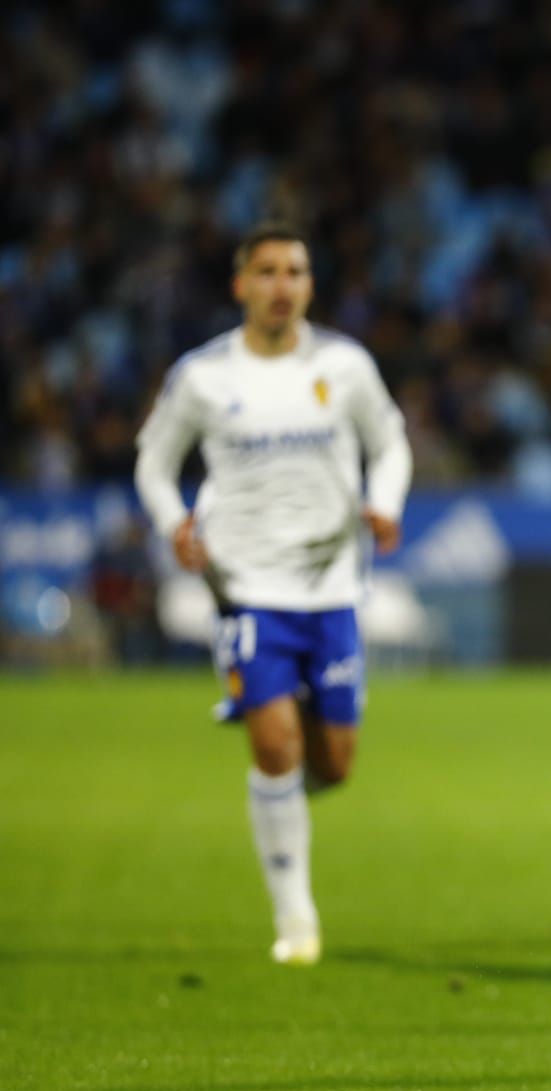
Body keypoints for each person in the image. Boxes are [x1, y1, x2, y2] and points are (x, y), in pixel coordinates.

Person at [134, 221, 413, 966]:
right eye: (266, 272)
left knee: (335, 763)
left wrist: (384, 501)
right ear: (241, 286)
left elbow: (389, 442)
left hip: (330, 584)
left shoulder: (345, 366)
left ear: (310, 285)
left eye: (295, 271)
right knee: (276, 743)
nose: (281, 285)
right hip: (246, 583)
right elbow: (154, 464)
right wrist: (174, 523)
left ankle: (278, 801)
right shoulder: (204, 377)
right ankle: (297, 921)